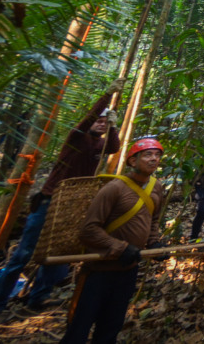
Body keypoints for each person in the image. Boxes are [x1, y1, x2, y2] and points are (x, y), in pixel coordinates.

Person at [0, 81, 123, 323]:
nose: (101, 123)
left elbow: (114, 147)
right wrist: (108, 95)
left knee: (57, 254)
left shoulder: (100, 144)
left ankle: (38, 298)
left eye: (105, 122)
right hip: (49, 200)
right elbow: (87, 119)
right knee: (22, 255)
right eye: (99, 120)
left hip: (72, 205)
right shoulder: (77, 137)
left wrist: (114, 125)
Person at [60, 137, 165, 344]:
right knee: (79, 328)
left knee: (111, 327)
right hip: (100, 271)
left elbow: (153, 220)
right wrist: (120, 247)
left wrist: (154, 243)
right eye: (147, 155)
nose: (154, 159)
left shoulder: (157, 188)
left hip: (128, 270)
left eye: (157, 155)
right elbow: (88, 230)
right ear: (133, 161)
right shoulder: (114, 189)